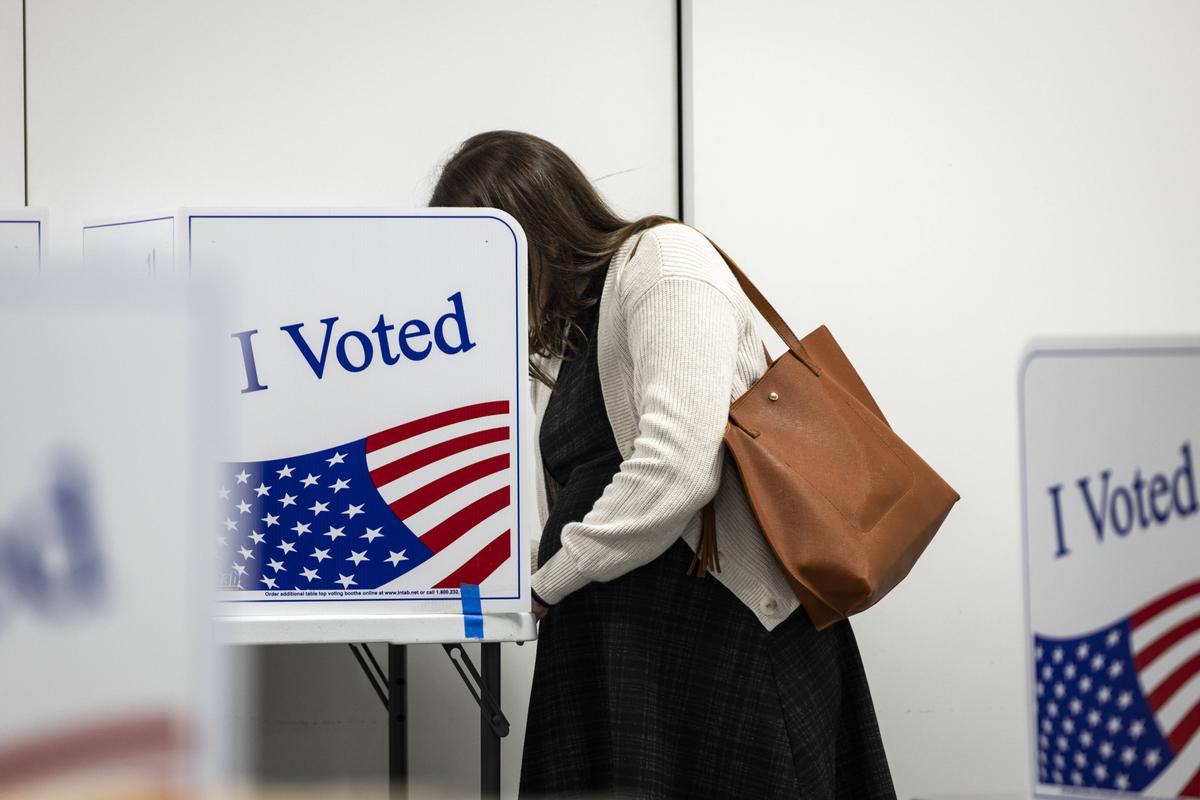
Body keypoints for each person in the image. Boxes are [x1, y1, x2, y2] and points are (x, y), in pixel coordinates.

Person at [430, 130, 896, 799]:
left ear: (534, 227)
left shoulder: (662, 262)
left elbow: (679, 468)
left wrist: (544, 584)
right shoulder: (575, 335)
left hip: (709, 630)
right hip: (619, 642)